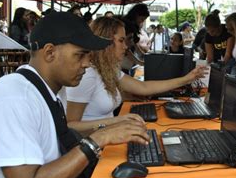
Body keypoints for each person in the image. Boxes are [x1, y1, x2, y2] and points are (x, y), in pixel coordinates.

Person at [0, 11, 150, 178]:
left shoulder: (45, 92)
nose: (86, 63)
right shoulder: (13, 98)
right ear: (49, 53)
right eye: (80, 55)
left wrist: (108, 131)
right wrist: (98, 140)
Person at [65, 17, 205, 125]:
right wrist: (116, 122)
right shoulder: (87, 74)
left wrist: (186, 79)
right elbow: (71, 126)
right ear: (105, 41)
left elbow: (143, 87)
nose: (126, 46)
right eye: (121, 41)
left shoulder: (106, 69)